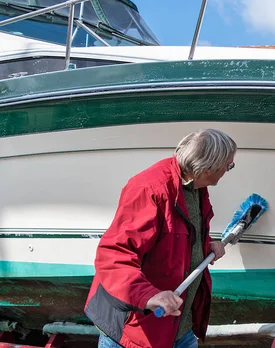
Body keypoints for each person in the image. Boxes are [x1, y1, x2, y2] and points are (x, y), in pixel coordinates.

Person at [84, 129, 237, 348]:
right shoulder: (150, 189)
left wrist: (206, 244)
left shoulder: (194, 186)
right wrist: (149, 296)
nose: (227, 170)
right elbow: (114, 256)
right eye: (228, 165)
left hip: (178, 328)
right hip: (136, 331)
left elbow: (175, 233)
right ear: (208, 167)